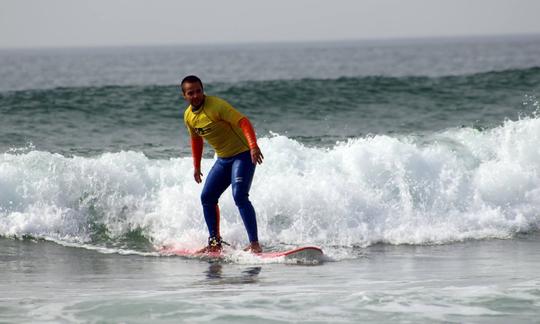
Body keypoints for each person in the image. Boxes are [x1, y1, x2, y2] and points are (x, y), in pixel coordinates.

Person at [181, 75, 264, 253]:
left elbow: (243, 121)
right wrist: (196, 166)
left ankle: (255, 244)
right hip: (223, 159)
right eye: (190, 93)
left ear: (203, 90)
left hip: (242, 155)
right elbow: (196, 139)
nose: (195, 95)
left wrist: (253, 146)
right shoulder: (188, 116)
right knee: (207, 197)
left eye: (198, 91)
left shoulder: (217, 106)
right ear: (184, 96)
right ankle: (214, 243)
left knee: (240, 196)